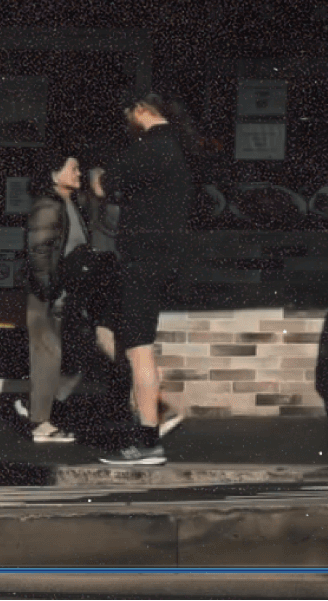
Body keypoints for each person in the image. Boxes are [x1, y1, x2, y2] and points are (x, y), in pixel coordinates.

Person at [92, 92, 197, 466]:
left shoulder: (152, 147)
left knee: (138, 347)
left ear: (141, 111)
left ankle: (147, 440)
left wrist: (94, 174)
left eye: (129, 115)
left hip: (144, 261)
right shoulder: (175, 147)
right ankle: (159, 404)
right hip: (157, 260)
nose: (128, 122)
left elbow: (104, 185)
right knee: (107, 330)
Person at [20, 150, 95, 443]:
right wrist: (48, 290)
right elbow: (39, 251)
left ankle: (37, 404)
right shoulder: (48, 205)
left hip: (62, 292)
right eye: (73, 168)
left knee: (74, 351)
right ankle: (40, 423)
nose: (78, 173)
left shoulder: (69, 204)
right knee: (47, 355)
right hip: (45, 293)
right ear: (55, 175)